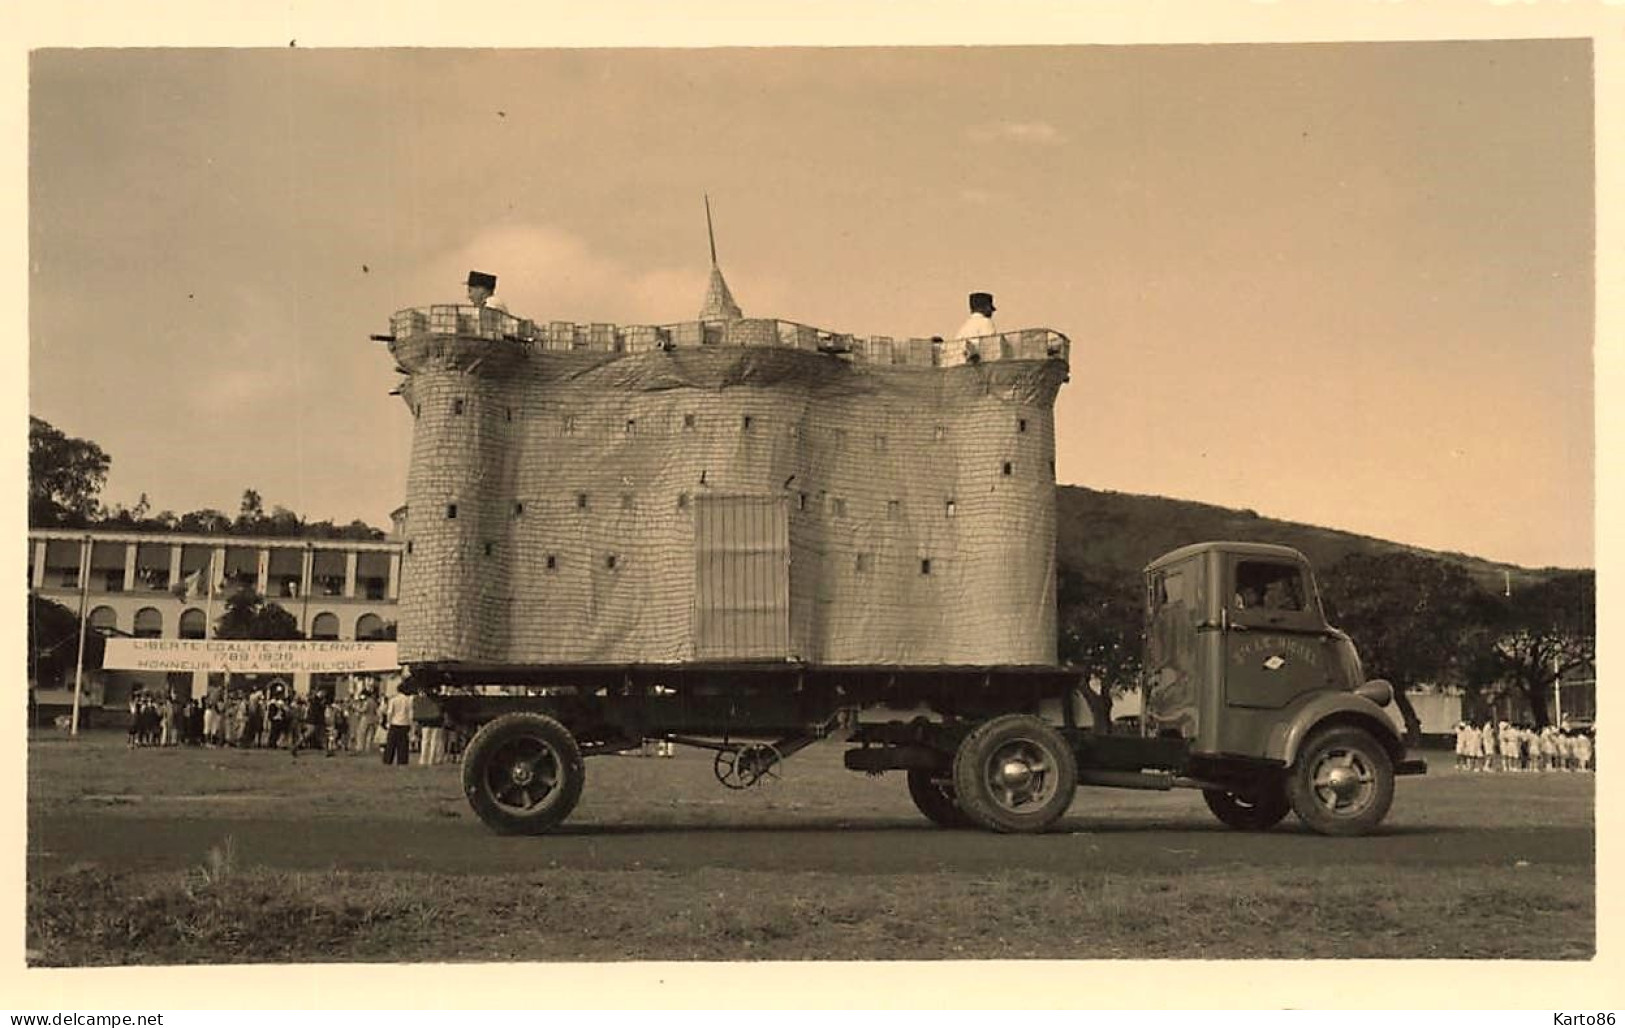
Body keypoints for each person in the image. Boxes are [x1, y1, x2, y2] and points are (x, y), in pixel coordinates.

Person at [946, 291, 998, 367]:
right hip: (978, 367)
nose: (991, 312)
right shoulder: (986, 322)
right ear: (985, 307)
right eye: (990, 308)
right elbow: (991, 351)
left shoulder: (964, 327)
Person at [383, 685, 415, 766]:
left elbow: (390, 712)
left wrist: (388, 722)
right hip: (405, 724)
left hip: (394, 723)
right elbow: (410, 714)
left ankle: (388, 760)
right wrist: (411, 725)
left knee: (391, 744)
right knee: (403, 745)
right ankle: (402, 761)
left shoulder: (393, 699)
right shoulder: (408, 700)